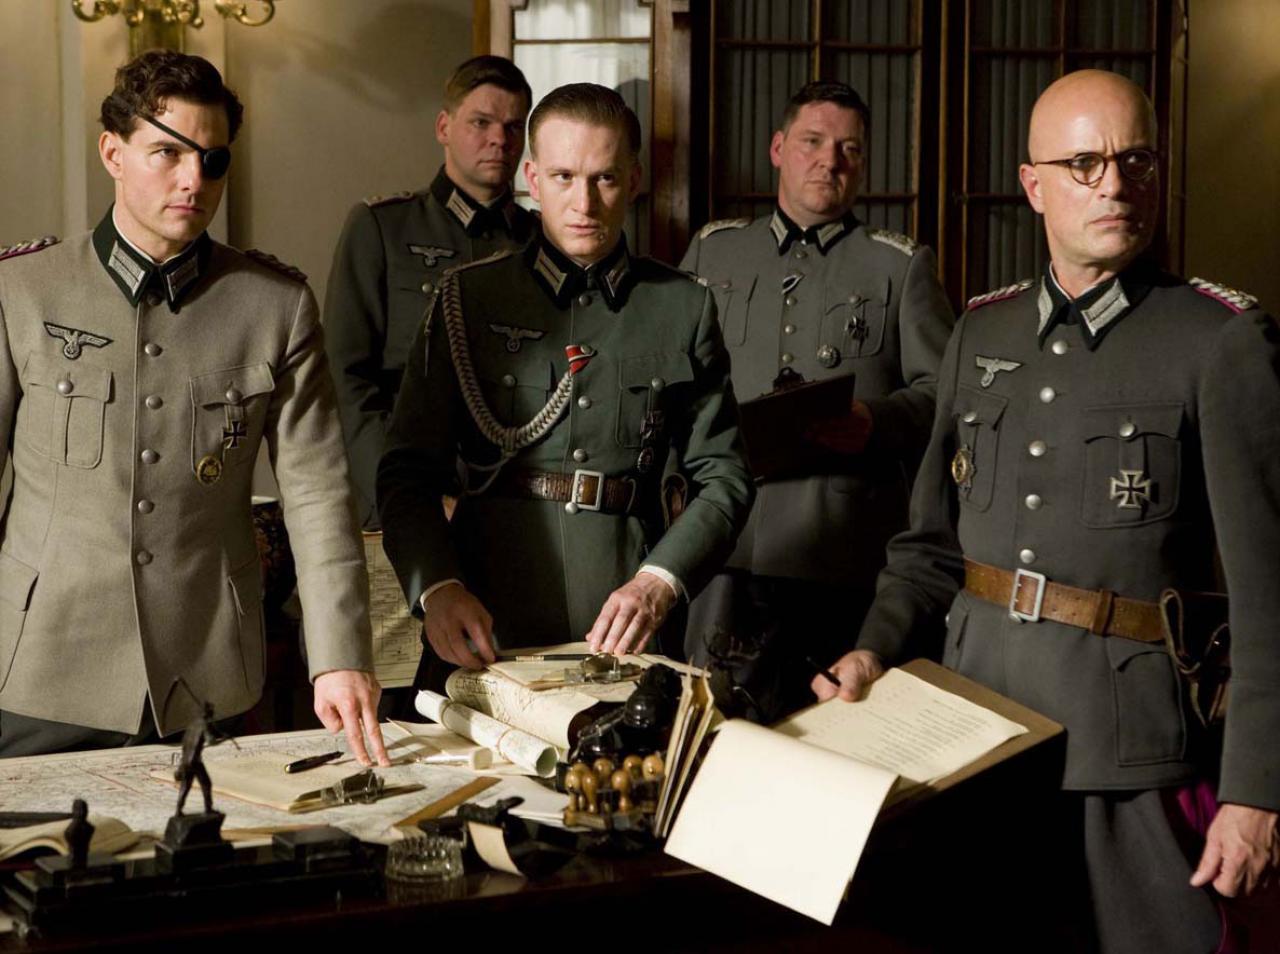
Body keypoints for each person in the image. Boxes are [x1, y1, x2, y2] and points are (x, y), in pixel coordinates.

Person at [817, 69, 1280, 952]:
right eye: (1084, 163)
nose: (1115, 184)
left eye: (1136, 161)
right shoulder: (981, 332)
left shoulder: (1219, 340)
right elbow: (929, 548)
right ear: (1034, 185)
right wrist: (874, 646)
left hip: (1128, 751)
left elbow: (1270, 596)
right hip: (977, 731)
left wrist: (1258, 790)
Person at [0, 50, 388, 765]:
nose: (193, 180)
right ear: (112, 153)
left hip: (206, 672)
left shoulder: (276, 305)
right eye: (167, 153)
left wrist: (338, 656)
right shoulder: (22, 290)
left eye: (212, 160)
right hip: (38, 664)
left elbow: (318, 494)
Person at [378, 83, 753, 671]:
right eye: (563, 177)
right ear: (531, 178)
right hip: (483, 618)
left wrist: (660, 581)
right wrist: (438, 589)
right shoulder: (467, 299)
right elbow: (406, 472)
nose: (585, 202)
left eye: (605, 179)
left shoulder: (682, 307)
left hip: (625, 623)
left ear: (634, 180)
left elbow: (724, 475)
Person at [679, 81, 954, 719]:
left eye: (849, 149)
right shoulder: (714, 251)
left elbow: (946, 396)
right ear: (778, 148)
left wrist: (877, 422)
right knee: (715, 735)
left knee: (834, 739)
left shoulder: (898, 266)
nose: (830, 160)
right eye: (812, 142)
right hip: (725, 547)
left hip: (843, 557)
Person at [324, 55, 538, 530]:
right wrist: (405, 498)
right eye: (480, 122)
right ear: (444, 127)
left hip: (514, 506)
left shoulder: (537, 242)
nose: (499, 139)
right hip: (404, 493)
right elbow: (346, 379)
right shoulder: (383, 227)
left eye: (513, 127)